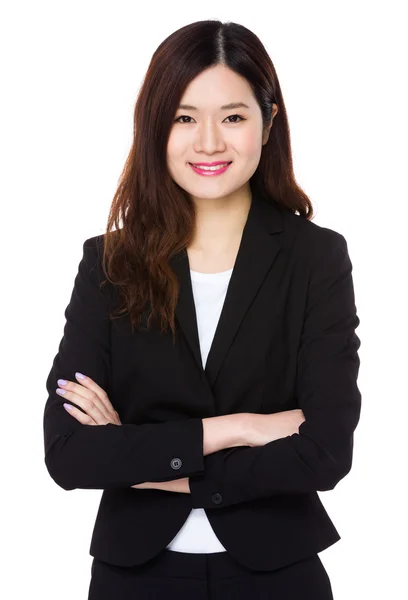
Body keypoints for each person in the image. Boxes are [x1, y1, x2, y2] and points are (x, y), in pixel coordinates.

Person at [43, 19, 361, 600]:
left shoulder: (315, 257)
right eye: (184, 117)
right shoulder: (109, 263)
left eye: (233, 116)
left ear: (268, 122)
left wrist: (142, 459)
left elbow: (325, 452)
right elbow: (70, 454)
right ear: (154, 127)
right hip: (133, 577)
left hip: (277, 574)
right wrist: (241, 429)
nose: (209, 141)